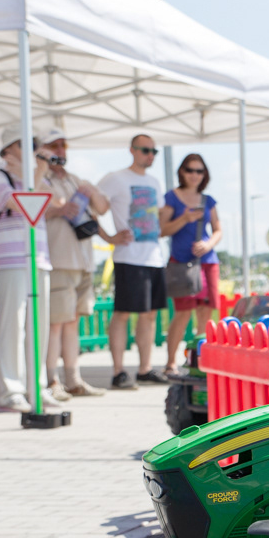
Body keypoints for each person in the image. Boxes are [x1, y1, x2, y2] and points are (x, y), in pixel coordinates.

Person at [0, 125, 56, 413]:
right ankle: (10, 390)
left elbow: (52, 201)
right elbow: (21, 204)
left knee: (39, 326)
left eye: (34, 144)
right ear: (7, 150)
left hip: (38, 257)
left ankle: (37, 386)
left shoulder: (35, 178)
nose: (32, 150)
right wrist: (36, 174)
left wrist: (35, 174)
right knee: (12, 325)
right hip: (10, 258)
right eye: (24, 144)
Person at [38, 128, 109, 399]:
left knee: (72, 323)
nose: (60, 150)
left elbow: (102, 207)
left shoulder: (75, 179)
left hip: (83, 262)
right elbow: (41, 208)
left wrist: (90, 191)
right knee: (56, 323)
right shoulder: (39, 179)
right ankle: (52, 380)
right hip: (59, 260)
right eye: (54, 145)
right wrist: (59, 209)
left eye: (63, 145)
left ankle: (73, 379)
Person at [97, 135, 168, 390]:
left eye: (153, 151)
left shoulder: (154, 182)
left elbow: (160, 215)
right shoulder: (115, 178)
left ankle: (144, 369)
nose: (150, 155)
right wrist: (108, 237)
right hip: (128, 257)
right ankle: (118, 372)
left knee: (149, 315)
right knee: (123, 313)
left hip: (154, 257)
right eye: (145, 150)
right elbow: (92, 208)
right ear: (132, 150)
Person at [159, 153, 222, 377]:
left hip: (207, 262)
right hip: (181, 263)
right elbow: (161, 230)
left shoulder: (208, 200)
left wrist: (208, 244)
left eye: (199, 171)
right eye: (190, 170)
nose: (194, 175)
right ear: (182, 172)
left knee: (205, 313)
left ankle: (199, 361)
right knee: (183, 313)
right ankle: (170, 363)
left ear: (204, 174)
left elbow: (218, 230)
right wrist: (184, 219)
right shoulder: (171, 198)